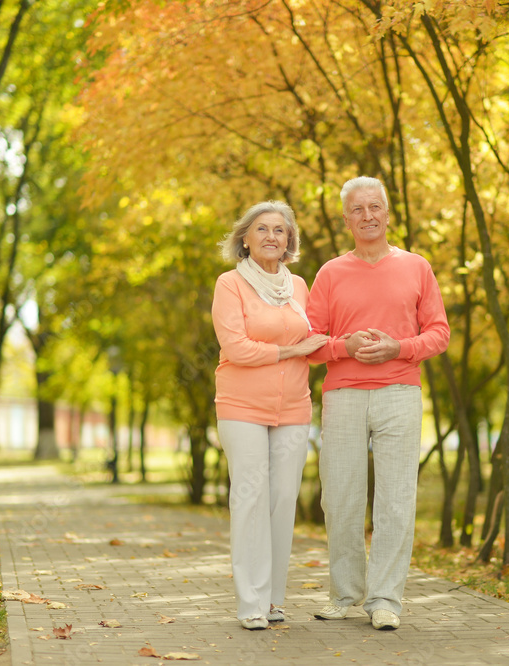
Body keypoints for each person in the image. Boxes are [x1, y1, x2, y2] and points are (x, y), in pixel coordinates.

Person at [306, 176, 450, 631]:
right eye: (357, 209)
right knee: (341, 499)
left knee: (395, 500)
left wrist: (400, 348)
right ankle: (345, 593)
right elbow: (308, 343)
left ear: (388, 213)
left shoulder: (417, 267)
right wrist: (343, 347)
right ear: (346, 218)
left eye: (375, 207)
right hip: (344, 397)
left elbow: (440, 333)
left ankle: (385, 599)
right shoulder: (330, 273)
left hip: (399, 393)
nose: (367, 216)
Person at [211, 200, 329, 630]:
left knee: (282, 500)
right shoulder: (230, 284)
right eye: (262, 229)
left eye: (280, 231)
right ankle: (251, 604)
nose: (271, 237)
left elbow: (314, 343)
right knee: (250, 497)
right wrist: (292, 350)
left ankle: (275, 599)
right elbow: (236, 348)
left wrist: (347, 343)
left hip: (295, 406)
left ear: (289, 241)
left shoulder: (298, 287)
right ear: (245, 238)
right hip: (242, 406)